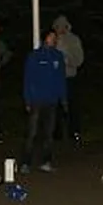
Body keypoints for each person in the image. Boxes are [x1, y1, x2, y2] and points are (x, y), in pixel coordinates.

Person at [21, 29, 67, 173]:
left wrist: (63, 98)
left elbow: (61, 79)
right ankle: (26, 162)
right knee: (32, 132)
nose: (54, 40)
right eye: (51, 37)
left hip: (52, 100)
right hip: (36, 100)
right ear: (44, 38)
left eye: (55, 38)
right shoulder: (34, 56)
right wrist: (27, 99)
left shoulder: (58, 56)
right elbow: (28, 79)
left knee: (49, 133)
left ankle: (46, 161)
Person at [52, 15, 84, 145]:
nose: (60, 29)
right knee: (55, 106)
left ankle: (74, 132)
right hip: (54, 78)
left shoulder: (74, 40)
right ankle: (57, 134)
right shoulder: (52, 39)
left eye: (62, 26)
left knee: (72, 105)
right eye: (57, 27)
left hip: (69, 77)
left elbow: (79, 59)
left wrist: (67, 59)